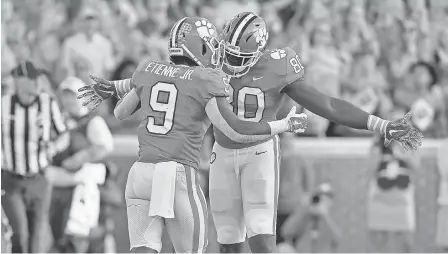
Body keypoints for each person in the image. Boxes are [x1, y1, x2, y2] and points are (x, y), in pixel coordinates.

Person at [84, 11, 424, 253]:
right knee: (228, 240)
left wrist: (379, 124)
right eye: (227, 54)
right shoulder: (209, 62)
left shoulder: (276, 65)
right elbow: (167, 78)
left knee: (261, 235)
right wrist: (114, 86)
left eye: (239, 56)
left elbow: (328, 105)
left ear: (258, 52)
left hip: (259, 151)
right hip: (220, 152)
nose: (231, 63)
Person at [78, 16, 307, 253]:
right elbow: (236, 130)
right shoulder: (206, 80)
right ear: (203, 46)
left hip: (140, 174)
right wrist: (283, 125)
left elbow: (120, 112)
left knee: (143, 248)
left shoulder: (148, 69)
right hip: (177, 173)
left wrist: (117, 87)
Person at [1, 61, 69, 253]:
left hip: (39, 179)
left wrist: (54, 147)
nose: (37, 82)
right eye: (31, 78)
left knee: (35, 237)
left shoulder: (47, 103)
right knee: (20, 234)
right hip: (11, 179)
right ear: (19, 81)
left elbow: (63, 135)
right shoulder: (4, 104)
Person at [48, 77, 114, 253]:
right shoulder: (58, 120)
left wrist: (82, 157)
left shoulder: (92, 121)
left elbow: (105, 146)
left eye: (73, 95)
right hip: (59, 183)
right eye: (66, 96)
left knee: (81, 234)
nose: (69, 100)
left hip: (83, 184)